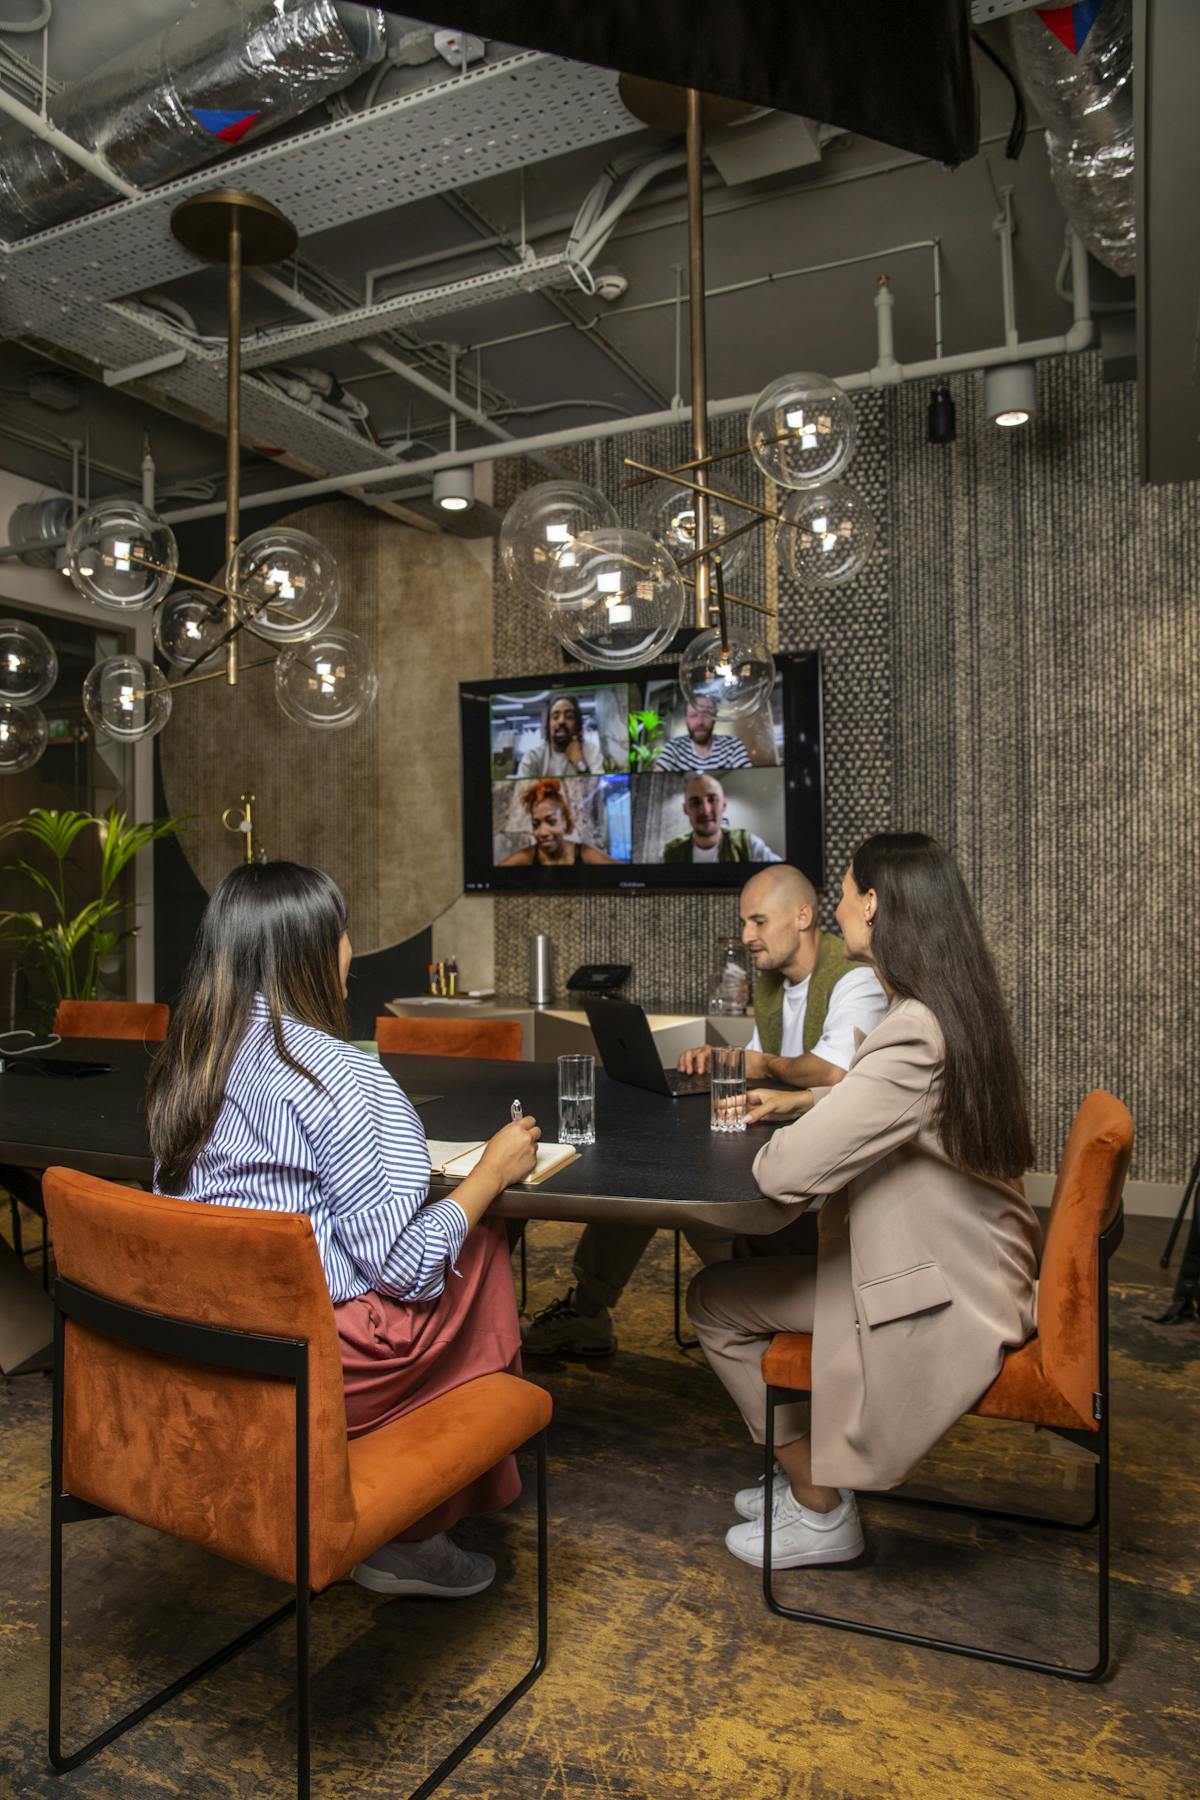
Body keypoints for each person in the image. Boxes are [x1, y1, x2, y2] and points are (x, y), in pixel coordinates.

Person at [146, 860, 542, 1600]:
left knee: (461, 1248)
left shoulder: (186, 1067)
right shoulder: (343, 1078)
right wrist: (491, 1171)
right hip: (320, 1363)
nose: (352, 948)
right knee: (480, 1248)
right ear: (313, 951)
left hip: (205, 1346)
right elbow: (406, 1269)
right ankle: (417, 1531)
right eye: (342, 931)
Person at [687, 832, 1040, 1572]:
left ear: (872, 905)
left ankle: (818, 1504)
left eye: (845, 891)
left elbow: (784, 1176)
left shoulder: (911, 1035)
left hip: (946, 1290)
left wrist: (800, 1119)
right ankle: (813, 1477)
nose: (840, 903)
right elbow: (883, 1112)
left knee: (714, 1302)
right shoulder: (949, 1008)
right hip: (972, 1258)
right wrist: (810, 1103)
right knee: (752, 1268)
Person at [521, 864, 887, 1358]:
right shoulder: (772, 981)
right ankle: (593, 1308)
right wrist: (717, 1064)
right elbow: (761, 1069)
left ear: (803, 916)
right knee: (645, 1171)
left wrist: (755, 1062)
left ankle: (735, 1298)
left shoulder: (855, 978)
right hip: (768, 1143)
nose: (746, 937)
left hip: (818, 1171)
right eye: (744, 923)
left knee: (655, 1178)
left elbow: (832, 1072)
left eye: (758, 922)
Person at [497, 777, 620, 867]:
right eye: (536, 824)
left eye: (551, 822)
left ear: (565, 822)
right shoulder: (526, 857)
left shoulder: (584, 853)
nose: (542, 832)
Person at [662, 773, 782, 864]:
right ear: (685, 809)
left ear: (723, 806)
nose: (705, 810)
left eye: (712, 800)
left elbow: (782, 874)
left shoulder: (748, 844)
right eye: (695, 802)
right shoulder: (671, 852)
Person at [517, 690, 604, 778]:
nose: (561, 721)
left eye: (569, 716)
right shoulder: (532, 757)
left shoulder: (591, 751)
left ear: (577, 724)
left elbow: (599, 789)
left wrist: (579, 763)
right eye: (555, 717)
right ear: (548, 725)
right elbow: (523, 790)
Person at [654, 697, 753, 772]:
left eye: (706, 715)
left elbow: (748, 778)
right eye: (693, 715)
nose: (700, 722)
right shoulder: (674, 746)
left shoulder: (733, 745)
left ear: (714, 718)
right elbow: (657, 778)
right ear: (686, 720)